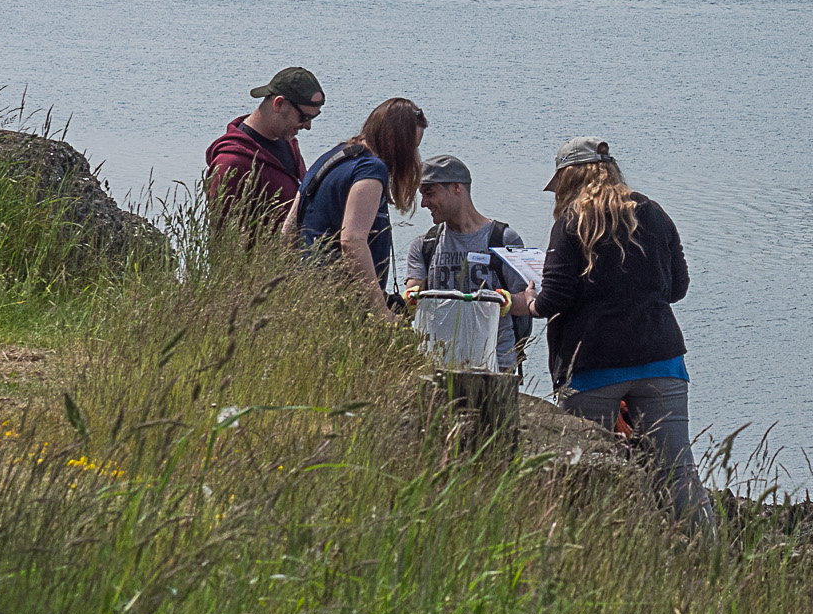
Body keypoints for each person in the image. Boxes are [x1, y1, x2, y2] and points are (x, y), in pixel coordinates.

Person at [510, 138, 710, 526]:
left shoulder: (571, 222)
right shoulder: (653, 213)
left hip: (592, 367)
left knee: (589, 473)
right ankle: (713, 557)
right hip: (661, 361)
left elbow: (554, 300)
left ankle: (598, 551)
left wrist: (525, 303)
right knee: (678, 473)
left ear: (568, 177)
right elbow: (677, 288)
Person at [288, 98, 426, 321]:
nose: (411, 157)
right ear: (394, 141)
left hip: (307, 293)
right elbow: (352, 240)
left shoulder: (329, 158)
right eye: (409, 148)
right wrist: (382, 313)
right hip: (343, 306)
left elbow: (290, 228)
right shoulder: (371, 169)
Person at [403, 154, 534, 375]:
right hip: (439, 364)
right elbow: (413, 292)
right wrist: (412, 297)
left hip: (496, 365)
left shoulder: (503, 239)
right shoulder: (424, 245)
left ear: (456, 188)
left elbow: (528, 301)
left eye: (429, 193)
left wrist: (507, 302)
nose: (424, 203)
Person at [203, 67, 324, 232]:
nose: (308, 126)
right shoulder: (231, 163)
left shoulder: (289, 143)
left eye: (313, 117)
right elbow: (222, 238)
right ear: (279, 104)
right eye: (304, 117)